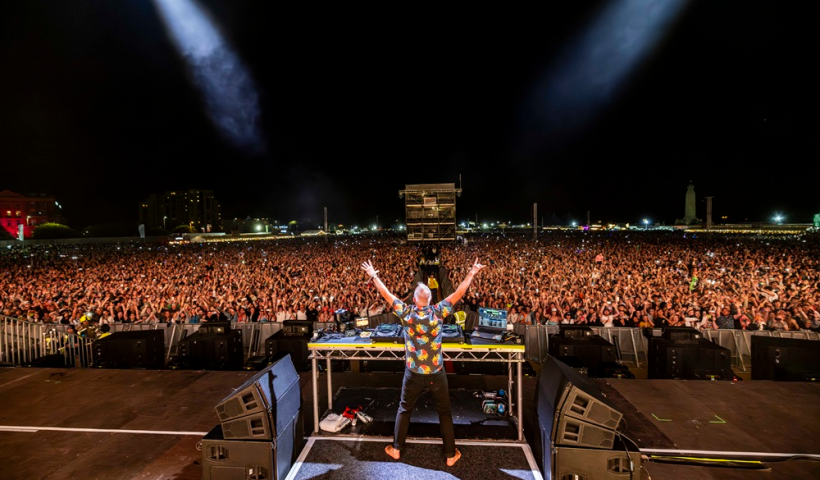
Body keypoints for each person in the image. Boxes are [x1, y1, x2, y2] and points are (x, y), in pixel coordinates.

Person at [361, 257, 486, 468]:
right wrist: (471, 273)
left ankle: (396, 449)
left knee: (404, 409)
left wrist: (374, 275)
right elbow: (458, 294)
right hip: (436, 373)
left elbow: (386, 295)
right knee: (444, 412)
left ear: (414, 300)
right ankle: (449, 455)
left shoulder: (408, 313)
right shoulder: (438, 312)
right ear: (429, 300)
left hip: (413, 374)